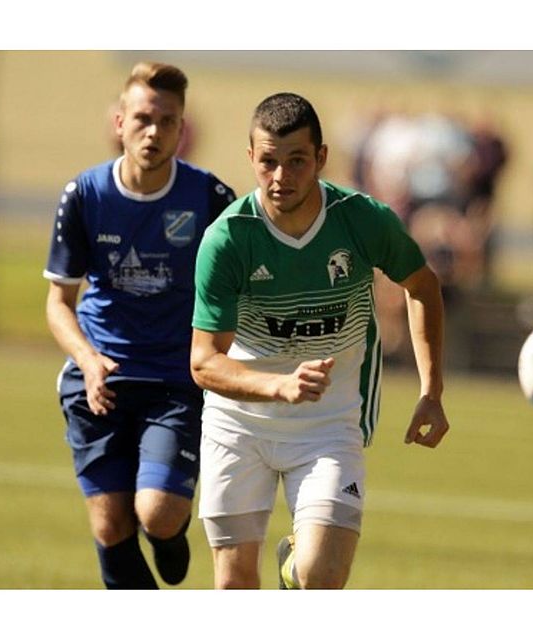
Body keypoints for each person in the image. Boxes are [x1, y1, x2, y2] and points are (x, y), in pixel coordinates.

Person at [190, 93, 450, 589]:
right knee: (233, 585)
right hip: (238, 424)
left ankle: (296, 568)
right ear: (251, 158)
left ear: (321, 158)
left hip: (328, 425)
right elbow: (204, 363)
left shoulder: (362, 219)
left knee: (320, 577)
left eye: (296, 161)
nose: (280, 177)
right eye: (268, 162)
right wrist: (278, 386)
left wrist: (431, 392)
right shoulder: (227, 238)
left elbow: (422, 285)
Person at [43, 61, 236, 589]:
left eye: (168, 121)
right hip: (99, 379)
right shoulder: (84, 196)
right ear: (119, 121)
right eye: (144, 118)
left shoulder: (210, 199)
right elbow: (59, 301)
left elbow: (242, 289)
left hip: (174, 381)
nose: (154, 131)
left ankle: (170, 536)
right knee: (110, 524)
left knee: (157, 514)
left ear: (182, 128)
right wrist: (87, 360)